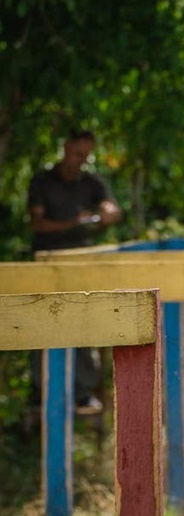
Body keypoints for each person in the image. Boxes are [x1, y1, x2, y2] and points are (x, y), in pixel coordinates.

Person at [27, 129, 123, 414]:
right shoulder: (42, 181)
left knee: (82, 324)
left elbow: (112, 209)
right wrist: (74, 222)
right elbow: (37, 224)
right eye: (76, 153)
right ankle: (40, 390)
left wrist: (107, 211)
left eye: (85, 155)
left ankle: (82, 393)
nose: (80, 159)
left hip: (81, 265)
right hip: (46, 263)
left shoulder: (91, 182)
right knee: (39, 325)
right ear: (65, 148)